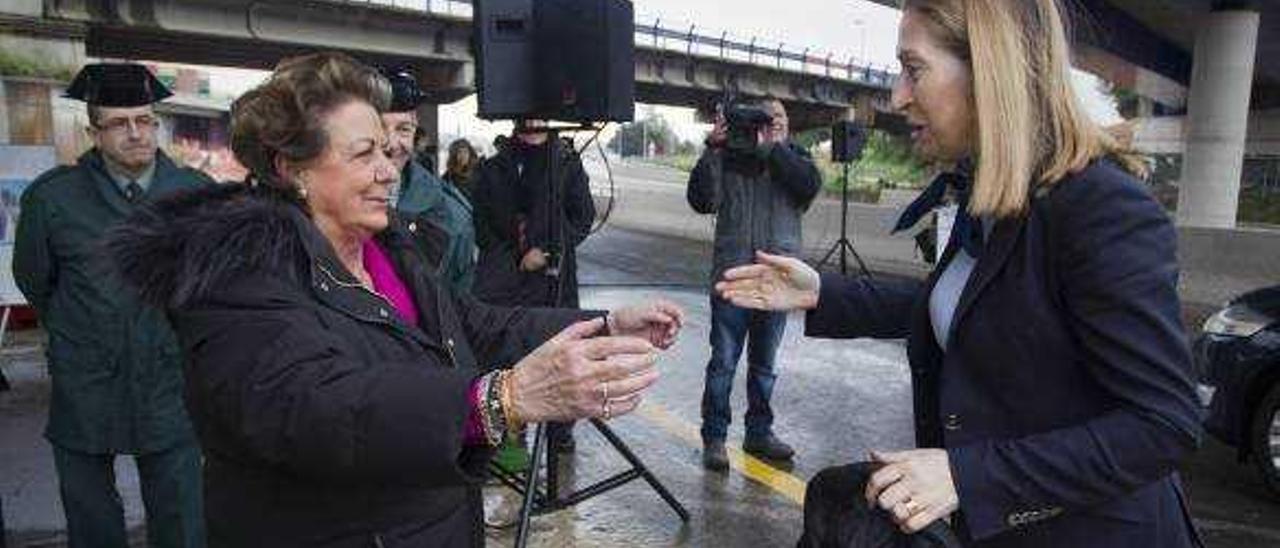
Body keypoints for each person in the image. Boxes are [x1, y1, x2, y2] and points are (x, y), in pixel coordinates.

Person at [105, 52, 682, 548]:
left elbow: (473, 326)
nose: (389, 169)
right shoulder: (237, 273)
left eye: (388, 149)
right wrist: (499, 399)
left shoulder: (387, 246)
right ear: (291, 167)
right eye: (363, 155)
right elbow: (312, 407)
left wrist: (605, 324)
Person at [717, 1, 1203, 546]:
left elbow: (1164, 424)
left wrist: (965, 476)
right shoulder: (992, 194)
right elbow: (980, 311)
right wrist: (822, 293)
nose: (897, 96)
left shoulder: (1101, 209)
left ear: (989, 72)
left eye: (914, 69)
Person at [13, 63, 209, 548]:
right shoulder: (54, 198)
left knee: (181, 515)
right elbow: (35, 278)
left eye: (144, 120)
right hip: (86, 381)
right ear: (92, 131)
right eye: (119, 123)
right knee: (90, 517)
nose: (136, 133)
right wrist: (85, 330)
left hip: (170, 380)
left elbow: (213, 287)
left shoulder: (194, 196)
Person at [687, 97, 821, 471]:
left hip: (775, 282)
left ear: (788, 124)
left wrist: (772, 150)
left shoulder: (797, 160)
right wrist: (713, 148)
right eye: (766, 117)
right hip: (732, 277)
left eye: (779, 116)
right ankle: (714, 438)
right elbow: (702, 200)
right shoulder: (730, 157)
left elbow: (806, 187)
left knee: (764, 365)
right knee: (723, 363)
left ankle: (759, 434)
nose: (773, 122)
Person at [471, 118, 597, 451]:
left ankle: (560, 431)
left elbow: (581, 218)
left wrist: (550, 250)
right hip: (505, 282)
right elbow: (482, 228)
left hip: (555, 281)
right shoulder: (493, 166)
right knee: (506, 354)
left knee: (563, 351)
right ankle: (511, 432)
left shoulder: (566, 162)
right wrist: (518, 256)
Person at [380, 67, 476, 292]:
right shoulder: (325, 207)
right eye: (378, 128)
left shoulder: (453, 221)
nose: (391, 144)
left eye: (403, 129)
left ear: (415, 130)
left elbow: (459, 310)